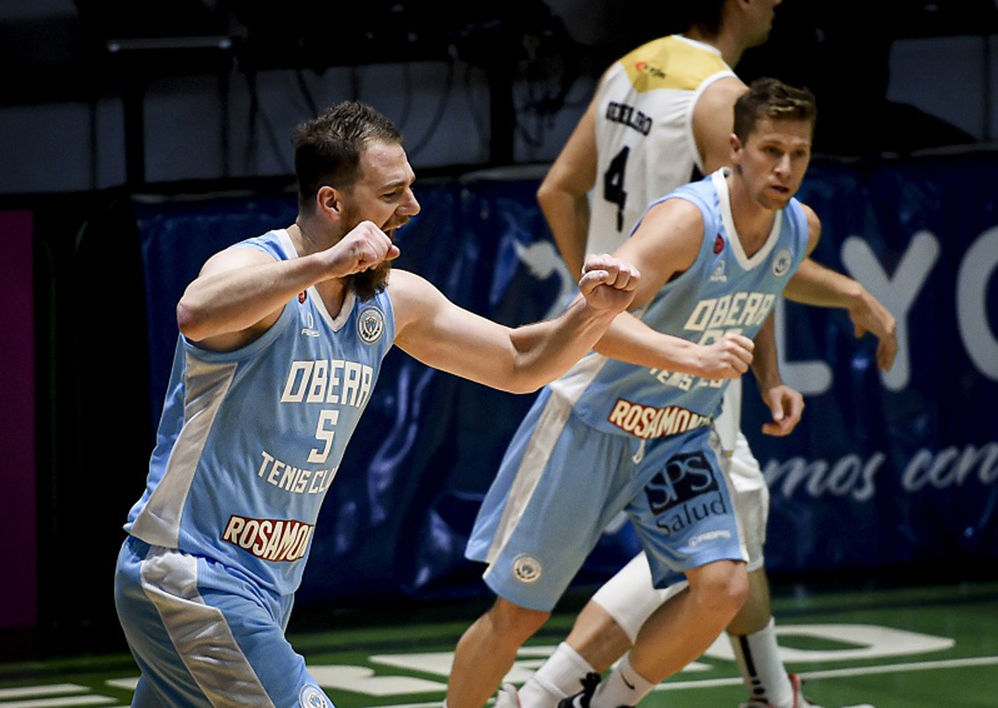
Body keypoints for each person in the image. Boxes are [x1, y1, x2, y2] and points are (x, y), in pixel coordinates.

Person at [111, 100, 649, 708]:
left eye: (411, 188)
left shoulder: (390, 299)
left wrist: (593, 313)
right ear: (331, 203)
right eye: (393, 194)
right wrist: (324, 264)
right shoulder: (258, 267)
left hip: (265, 589)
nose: (412, 208)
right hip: (191, 573)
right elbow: (196, 312)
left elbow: (519, 361)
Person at [512, 2, 895, 707]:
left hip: (625, 337)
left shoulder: (630, 68)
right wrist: (839, 302)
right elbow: (749, 245)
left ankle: (767, 695)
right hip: (682, 353)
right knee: (716, 548)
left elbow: (556, 190)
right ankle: (544, 694)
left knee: (724, 548)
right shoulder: (722, 96)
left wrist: (598, 308)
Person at [447, 77, 822, 708]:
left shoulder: (798, 228)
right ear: (736, 148)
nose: (785, 168)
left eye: (799, 153)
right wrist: (691, 356)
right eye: (771, 151)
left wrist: (771, 379)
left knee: (723, 587)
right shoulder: (686, 221)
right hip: (593, 421)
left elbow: (758, 295)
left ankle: (602, 702)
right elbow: (596, 318)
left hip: (678, 435)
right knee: (518, 615)